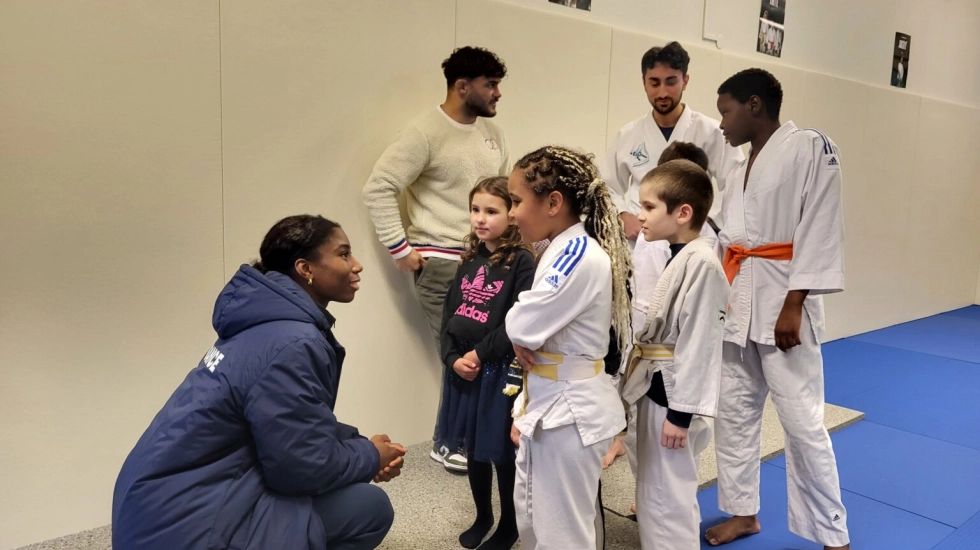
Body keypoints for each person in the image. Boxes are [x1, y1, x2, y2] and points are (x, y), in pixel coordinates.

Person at [112, 215, 407, 550]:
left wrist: (359, 444)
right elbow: (298, 471)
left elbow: (288, 420)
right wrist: (369, 456)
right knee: (369, 508)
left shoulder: (267, 323)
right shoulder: (295, 341)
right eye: (343, 254)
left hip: (154, 508)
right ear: (305, 269)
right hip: (183, 527)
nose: (357, 265)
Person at [705, 69, 850, 550]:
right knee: (735, 413)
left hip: (784, 303)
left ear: (753, 105)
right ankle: (744, 514)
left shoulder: (810, 146)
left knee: (803, 423)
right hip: (739, 304)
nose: (721, 123)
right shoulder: (737, 167)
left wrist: (794, 304)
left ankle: (833, 534)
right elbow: (729, 237)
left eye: (726, 111)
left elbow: (820, 225)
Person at [362, 46, 510, 472]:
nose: (498, 93)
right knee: (458, 355)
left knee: (487, 354)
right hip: (441, 265)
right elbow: (379, 187)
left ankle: (479, 438)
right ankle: (451, 442)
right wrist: (401, 249)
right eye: (491, 85)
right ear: (463, 86)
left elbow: (501, 197)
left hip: (485, 261)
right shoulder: (423, 132)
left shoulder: (492, 134)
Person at [600, 41, 742, 471]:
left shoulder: (709, 131)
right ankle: (645, 467)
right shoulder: (628, 135)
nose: (662, 91)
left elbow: (728, 186)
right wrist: (626, 214)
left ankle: (681, 445)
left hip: (691, 239)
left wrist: (699, 227)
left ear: (686, 80)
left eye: (671, 81)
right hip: (643, 246)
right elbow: (607, 185)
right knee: (643, 342)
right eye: (654, 82)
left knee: (687, 342)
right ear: (644, 82)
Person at [505, 146, 632, 550]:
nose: (511, 213)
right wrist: (520, 333)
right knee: (533, 519)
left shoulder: (578, 254)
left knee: (563, 535)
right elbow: (526, 327)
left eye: (516, 201)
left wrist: (517, 331)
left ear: (554, 202)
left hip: (570, 412)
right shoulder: (557, 247)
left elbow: (522, 323)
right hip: (548, 404)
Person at [620, 160, 728, 549]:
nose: (640, 216)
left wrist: (680, 416)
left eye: (649, 207)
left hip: (673, 395)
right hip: (656, 384)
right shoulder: (680, 255)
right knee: (653, 490)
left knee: (670, 496)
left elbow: (700, 345)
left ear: (683, 213)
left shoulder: (702, 263)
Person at [437, 177, 535, 550]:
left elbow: (518, 321)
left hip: (497, 371)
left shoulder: (521, 261)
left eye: (491, 211)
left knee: (500, 453)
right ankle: (484, 515)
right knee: (474, 451)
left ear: (511, 215)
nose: (480, 219)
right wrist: (451, 358)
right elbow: (449, 316)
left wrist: (479, 355)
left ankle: (509, 524)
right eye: (475, 209)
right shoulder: (469, 258)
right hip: (464, 369)